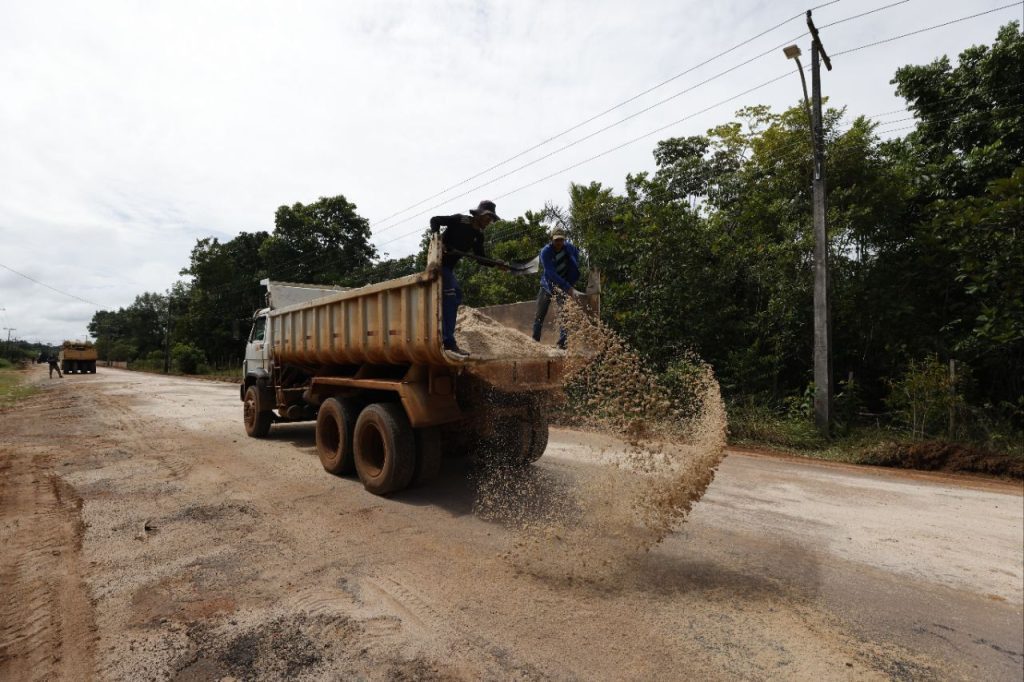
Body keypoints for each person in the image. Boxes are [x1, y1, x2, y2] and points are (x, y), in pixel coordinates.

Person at [429, 200, 506, 360]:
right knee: (453, 296)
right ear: (478, 214)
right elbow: (434, 220)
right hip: (437, 264)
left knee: (454, 297)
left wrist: (496, 264)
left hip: (448, 269)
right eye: (487, 217)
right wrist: (438, 241)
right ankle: (448, 342)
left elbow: (480, 258)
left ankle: (441, 335)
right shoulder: (460, 220)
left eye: (491, 219)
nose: (488, 221)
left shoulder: (478, 236)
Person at [533, 226, 580, 349]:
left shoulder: (569, 248)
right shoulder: (545, 252)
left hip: (564, 285)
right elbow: (550, 273)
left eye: (561, 240)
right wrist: (567, 287)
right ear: (551, 240)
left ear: (564, 240)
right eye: (556, 240)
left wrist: (571, 281)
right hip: (548, 285)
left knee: (564, 315)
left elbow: (576, 258)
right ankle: (534, 342)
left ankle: (563, 344)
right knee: (539, 314)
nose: (559, 243)